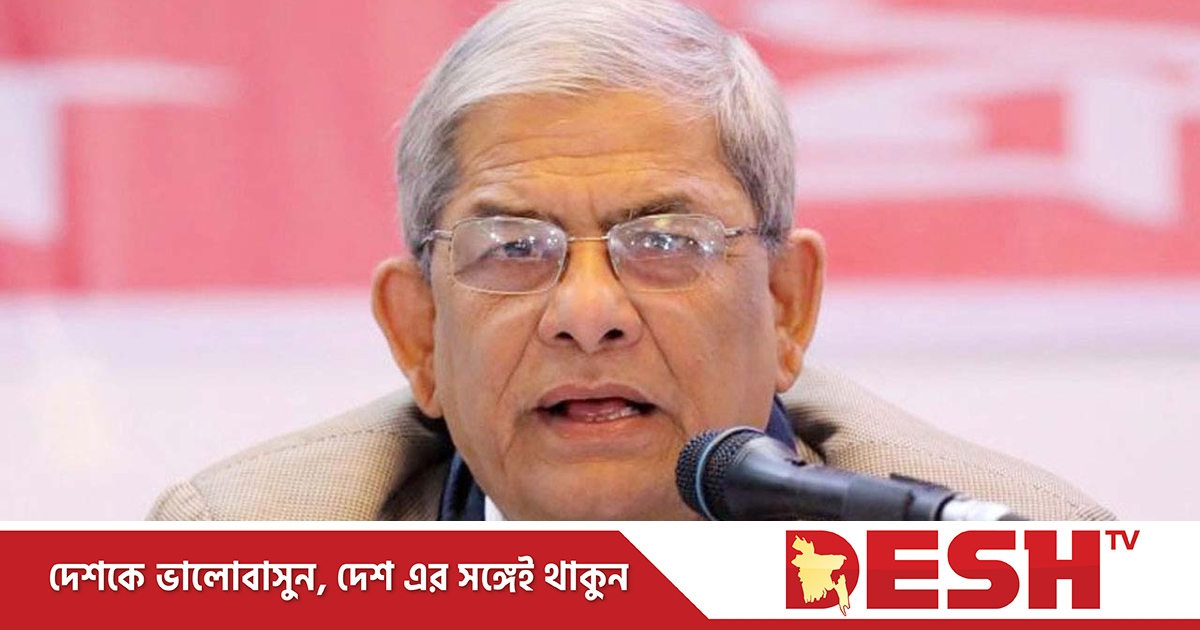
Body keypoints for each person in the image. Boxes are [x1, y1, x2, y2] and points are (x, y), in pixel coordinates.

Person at [149, 0, 1113, 521]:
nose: (588, 312)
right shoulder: (247, 553)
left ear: (785, 305)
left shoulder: (997, 550)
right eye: (514, 247)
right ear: (420, 333)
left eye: (663, 241)